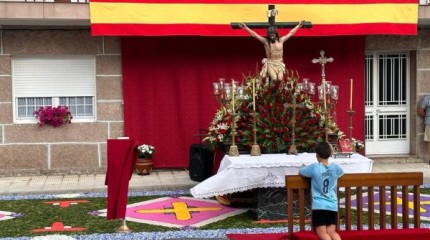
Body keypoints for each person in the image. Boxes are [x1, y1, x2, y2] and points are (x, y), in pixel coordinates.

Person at [299, 141, 343, 240]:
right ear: (330, 154)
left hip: (319, 205)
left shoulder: (314, 168)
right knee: (332, 232)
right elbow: (341, 172)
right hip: (332, 205)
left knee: (322, 233)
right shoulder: (335, 168)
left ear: (316, 155)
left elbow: (301, 172)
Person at [239, 21, 305, 81]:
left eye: (273, 35)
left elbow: (291, 33)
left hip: (279, 62)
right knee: (274, 78)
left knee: (280, 79)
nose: (272, 37)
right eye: (270, 35)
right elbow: (254, 34)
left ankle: (277, 92)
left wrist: (298, 26)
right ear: (268, 35)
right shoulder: (266, 42)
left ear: (276, 34)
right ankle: (270, 92)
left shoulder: (281, 41)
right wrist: (246, 27)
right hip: (271, 62)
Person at [418, 94, 430, 164]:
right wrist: (427, 117)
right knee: (429, 141)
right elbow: (420, 111)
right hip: (429, 123)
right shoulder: (427, 98)